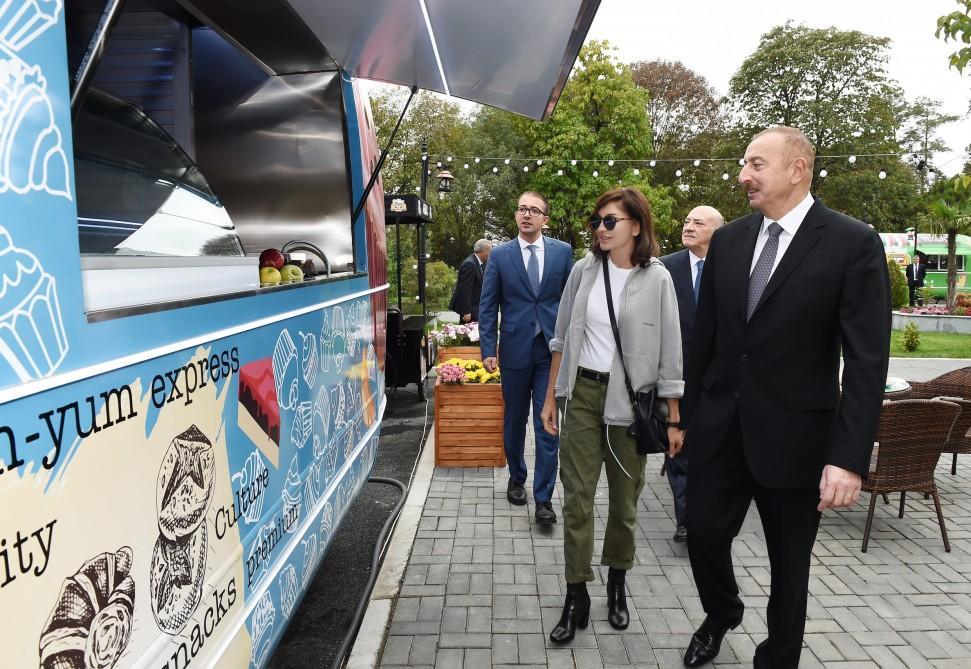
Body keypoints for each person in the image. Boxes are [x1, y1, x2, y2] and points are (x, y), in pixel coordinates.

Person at [680, 126, 890, 668]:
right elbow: (705, 340)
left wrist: (847, 459)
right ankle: (722, 611)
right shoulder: (728, 241)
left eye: (755, 164)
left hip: (798, 441)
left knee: (789, 571)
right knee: (702, 534)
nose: (743, 175)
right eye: (744, 164)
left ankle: (777, 659)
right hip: (721, 430)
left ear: (797, 169)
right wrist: (689, 417)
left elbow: (867, 361)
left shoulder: (851, 242)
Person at [539, 187, 684, 643]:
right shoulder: (583, 271)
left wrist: (674, 417)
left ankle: (617, 584)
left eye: (610, 221)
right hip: (581, 395)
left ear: (635, 227)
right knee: (576, 499)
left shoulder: (657, 279)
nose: (600, 229)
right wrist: (550, 399)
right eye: (597, 221)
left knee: (624, 503)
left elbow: (670, 353)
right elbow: (561, 338)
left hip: (631, 406)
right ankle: (575, 591)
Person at [479, 192, 573, 525]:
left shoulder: (563, 253)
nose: (526, 214)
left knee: (547, 422)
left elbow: (569, 301)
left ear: (545, 218)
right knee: (514, 420)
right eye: (521, 209)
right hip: (515, 349)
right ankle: (517, 476)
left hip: (551, 351)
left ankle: (544, 499)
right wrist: (488, 348)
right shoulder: (501, 255)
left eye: (534, 210)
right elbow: (488, 305)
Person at [659, 205, 724, 544]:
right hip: (677, 373)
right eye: (686, 220)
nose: (689, 226)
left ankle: (708, 510)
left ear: (717, 230)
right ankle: (685, 518)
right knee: (677, 446)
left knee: (711, 449)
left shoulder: (730, 267)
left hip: (718, 376)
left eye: (699, 222)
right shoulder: (666, 268)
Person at [449, 239, 492, 322]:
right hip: (471, 309)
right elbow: (465, 290)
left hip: (477, 306)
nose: (490, 254)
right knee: (469, 333)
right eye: (489, 251)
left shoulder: (480, 263)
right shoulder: (469, 264)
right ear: (482, 251)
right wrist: (466, 312)